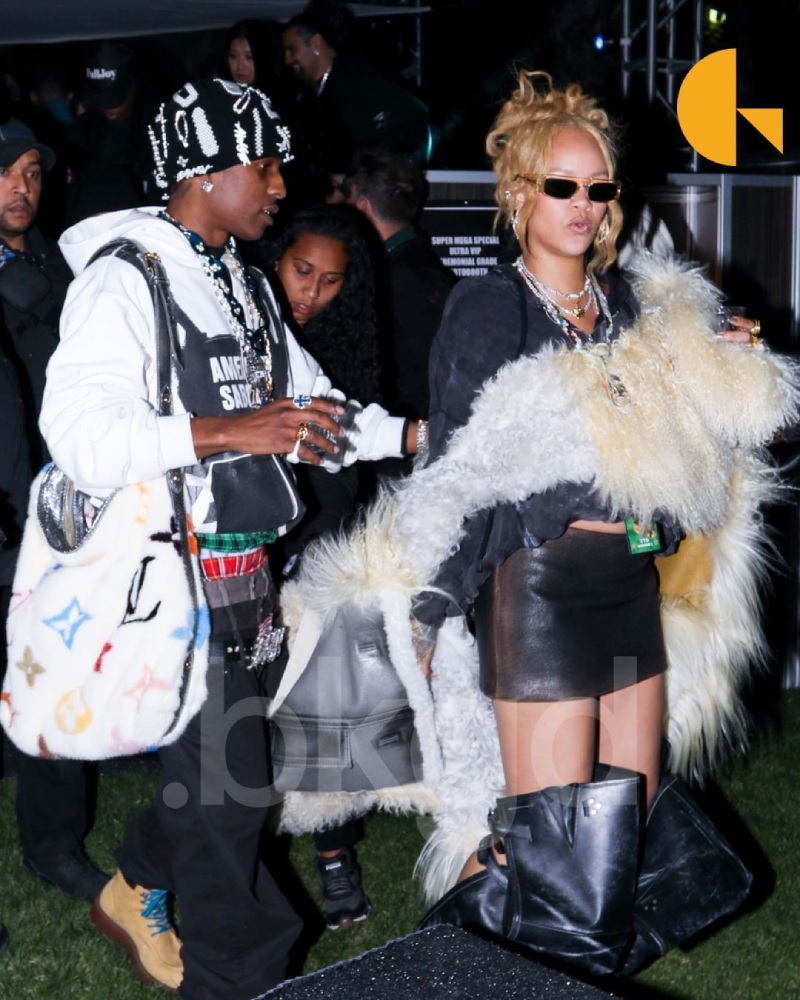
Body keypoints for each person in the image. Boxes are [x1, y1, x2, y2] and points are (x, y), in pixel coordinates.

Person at [276, 68, 790, 979]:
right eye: (562, 186)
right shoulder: (490, 310)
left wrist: (726, 361)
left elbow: (686, 438)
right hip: (544, 597)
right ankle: (459, 965)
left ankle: (496, 960)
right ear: (519, 193)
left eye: (598, 188)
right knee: (555, 852)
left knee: (621, 838)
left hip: (629, 593)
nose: (584, 205)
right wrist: (434, 605)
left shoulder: (629, 306)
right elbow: (459, 477)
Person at [39, 77, 422, 999]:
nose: (282, 185)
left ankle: (135, 880)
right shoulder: (124, 278)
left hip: (245, 586)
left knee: (231, 782)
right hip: (167, 590)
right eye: (265, 166)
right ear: (203, 174)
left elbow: (315, 411)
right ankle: (237, 979)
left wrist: (415, 435)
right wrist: (230, 431)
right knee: (230, 810)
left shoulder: (243, 283)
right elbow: (80, 438)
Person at [0, 116, 109, 903]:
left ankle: (54, 842)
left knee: (57, 672)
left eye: (33, 174)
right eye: (7, 172)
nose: (22, 188)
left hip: (52, 511)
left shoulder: (61, 264)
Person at [265, 201, 383, 929]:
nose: (311, 292)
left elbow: (354, 463)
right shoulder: (242, 329)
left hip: (320, 546)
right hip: (246, 540)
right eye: (301, 270)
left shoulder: (347, 346)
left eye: (330, 280)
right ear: (276, 259)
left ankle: (335, 853)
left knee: (325, 706)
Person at [342, 147, 457, 477]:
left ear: (362, 208)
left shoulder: (390, 281)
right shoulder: (425, 272)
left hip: (404, 460)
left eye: (346, 202)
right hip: (420, 447)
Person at [281, 0, 431, 204]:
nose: (287, 59)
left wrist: (345, 186)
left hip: (376, 195)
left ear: (316, 44)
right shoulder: (316, 92)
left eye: (292, 49)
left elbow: (362, 145)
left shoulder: (351, 81)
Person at [63, 40, 155, 223]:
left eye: (115, 97)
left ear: (133, 87)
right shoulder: (78, 133)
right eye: (100, 97)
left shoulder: (159, 131)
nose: (108, 106)